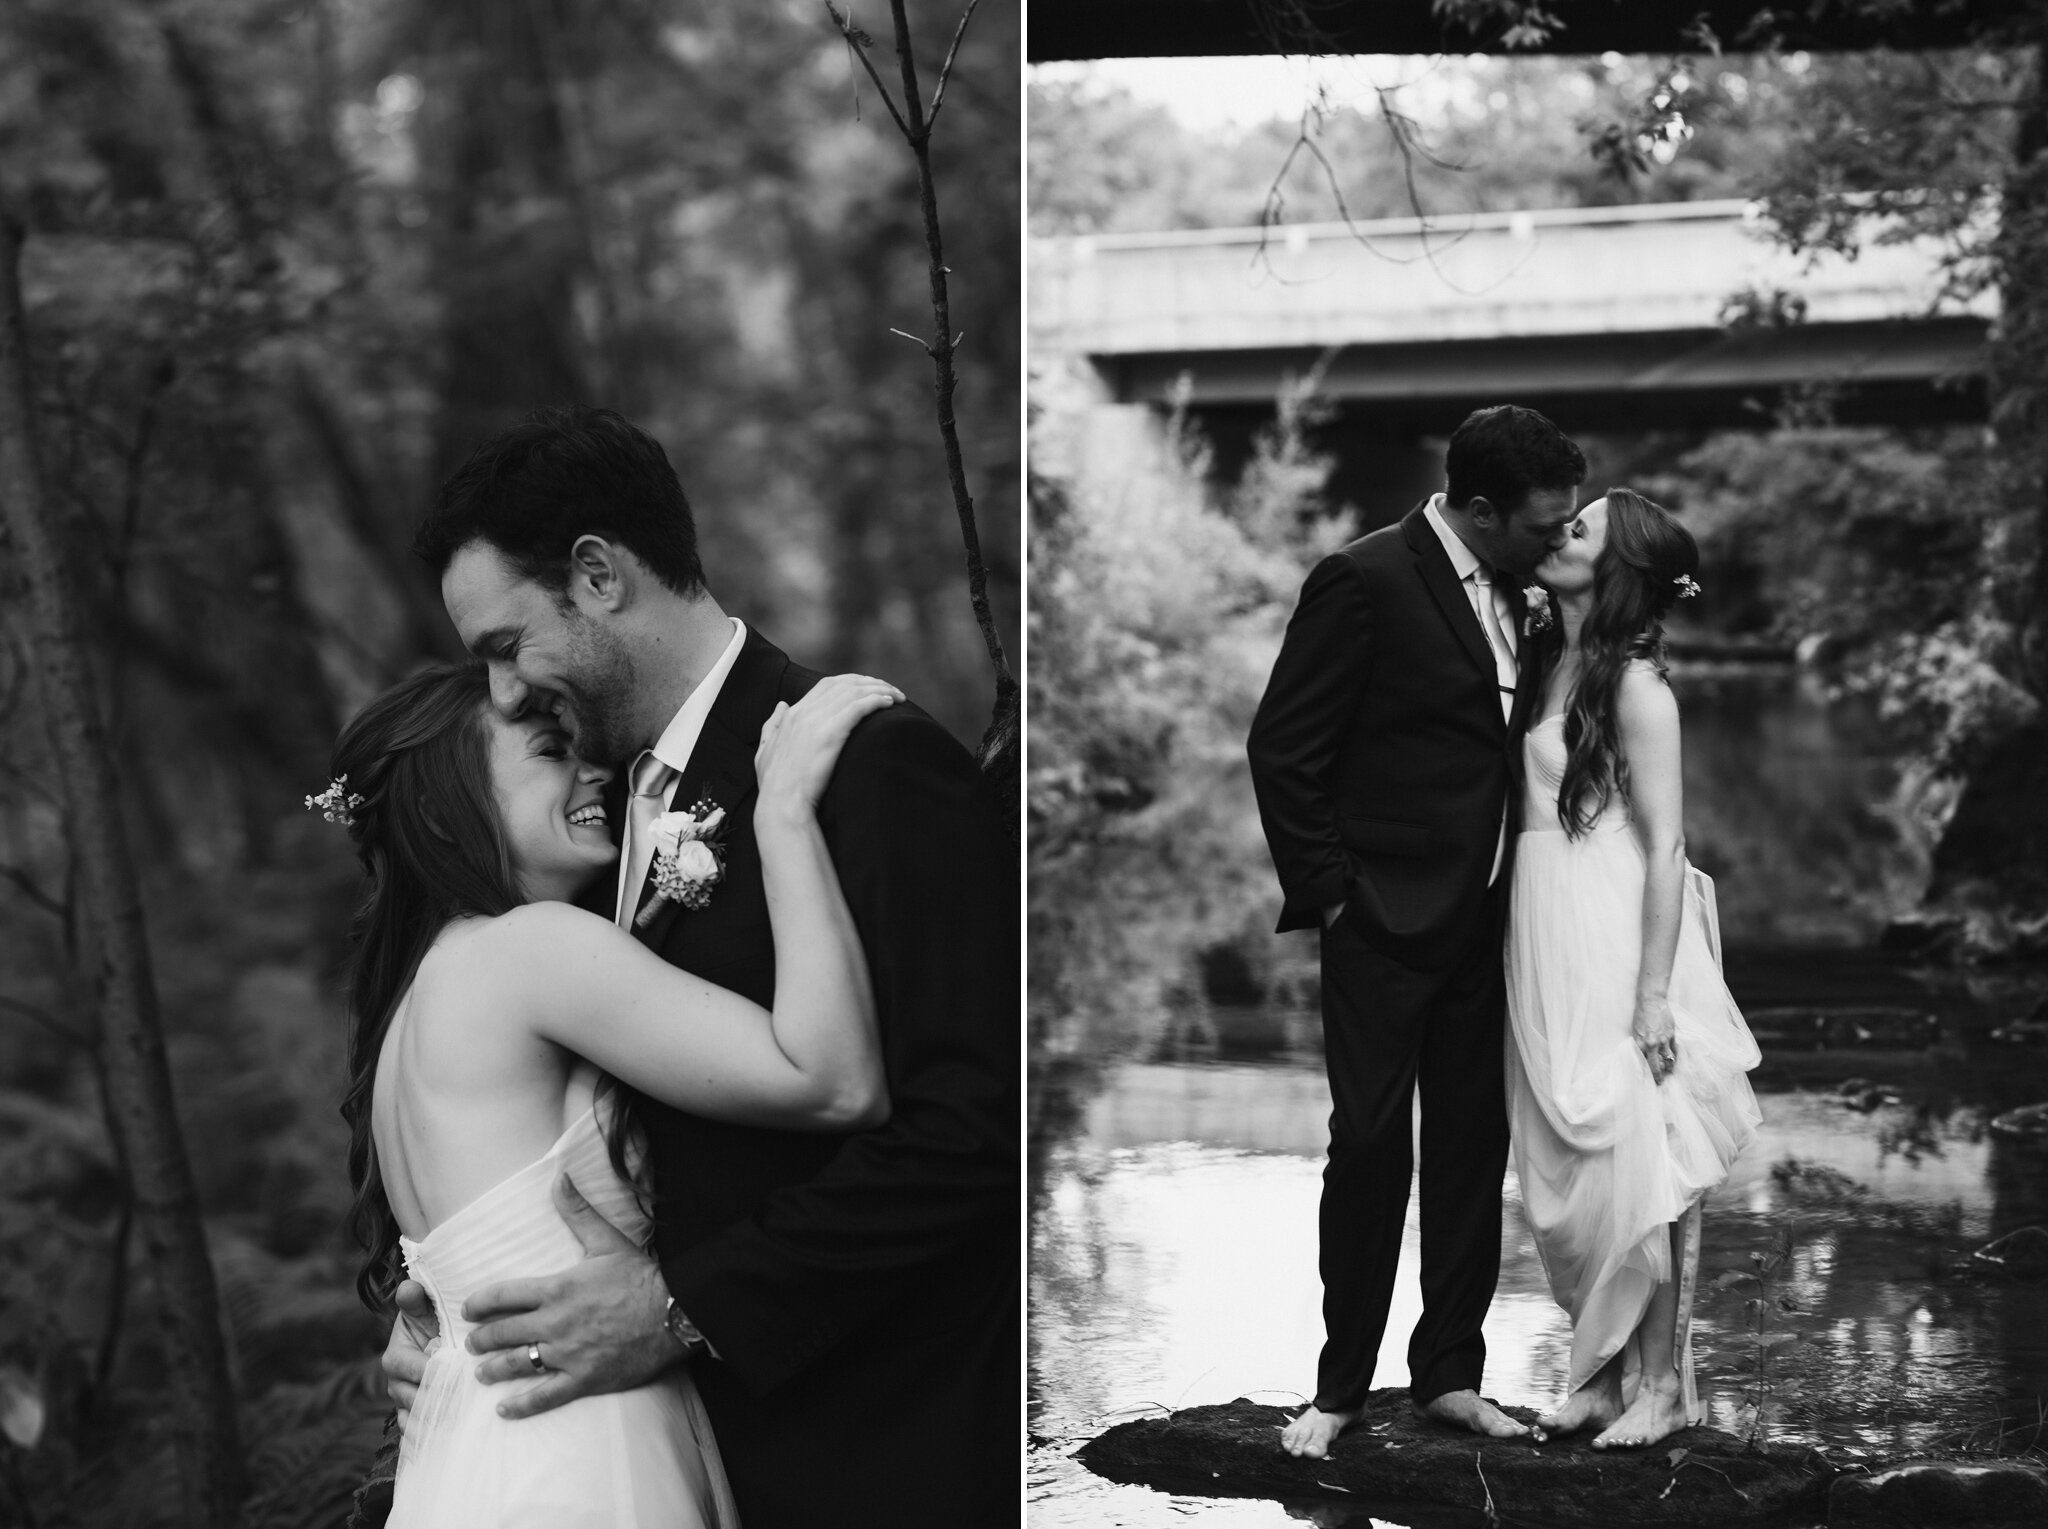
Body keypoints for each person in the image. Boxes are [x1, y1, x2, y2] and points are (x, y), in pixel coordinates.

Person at [379, 407, 1016, 1529]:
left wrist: (680, 1306)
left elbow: (973, 1131)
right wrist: (445, 1292)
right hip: (669, 1452)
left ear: (597, 575)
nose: (502, 696)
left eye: (504, 645)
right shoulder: (581, 824)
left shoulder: (861, 765)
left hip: (879, 1454)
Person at [326, 662, 899, 1525]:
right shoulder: (530, 949)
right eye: (551, 750)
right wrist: (783, 815)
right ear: (448, 807)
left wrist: (418, 1324)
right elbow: (832, 1081)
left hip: (469, 1448)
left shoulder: (418, 998)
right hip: (576, 1444)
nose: (593, 766)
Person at [1247, 404, 1585, 1458]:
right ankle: (1338, 1385)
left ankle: (1447, 1372)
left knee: (1468, 1149)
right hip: (1382, 923)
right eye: (1543, 523)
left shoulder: (1524, 598)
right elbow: (1282, 750)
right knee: (1368, 1150)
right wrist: (1338, 895)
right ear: (1478, 509)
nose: (1558, 540)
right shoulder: (1362, 578)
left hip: (1489, 922)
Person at [1506, 487, 1761, 1449]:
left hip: (1616, 931)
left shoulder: (1638, 687)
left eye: (1579, 530)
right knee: (1566, 1154)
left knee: (1639, 1146)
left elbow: (1664, 845)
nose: (1557, 533)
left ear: (1614, 570)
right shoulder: (1543, 656)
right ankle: (1601, 1378)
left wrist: (1654, 993)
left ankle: (1663, 1387)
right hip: (1540, 929)